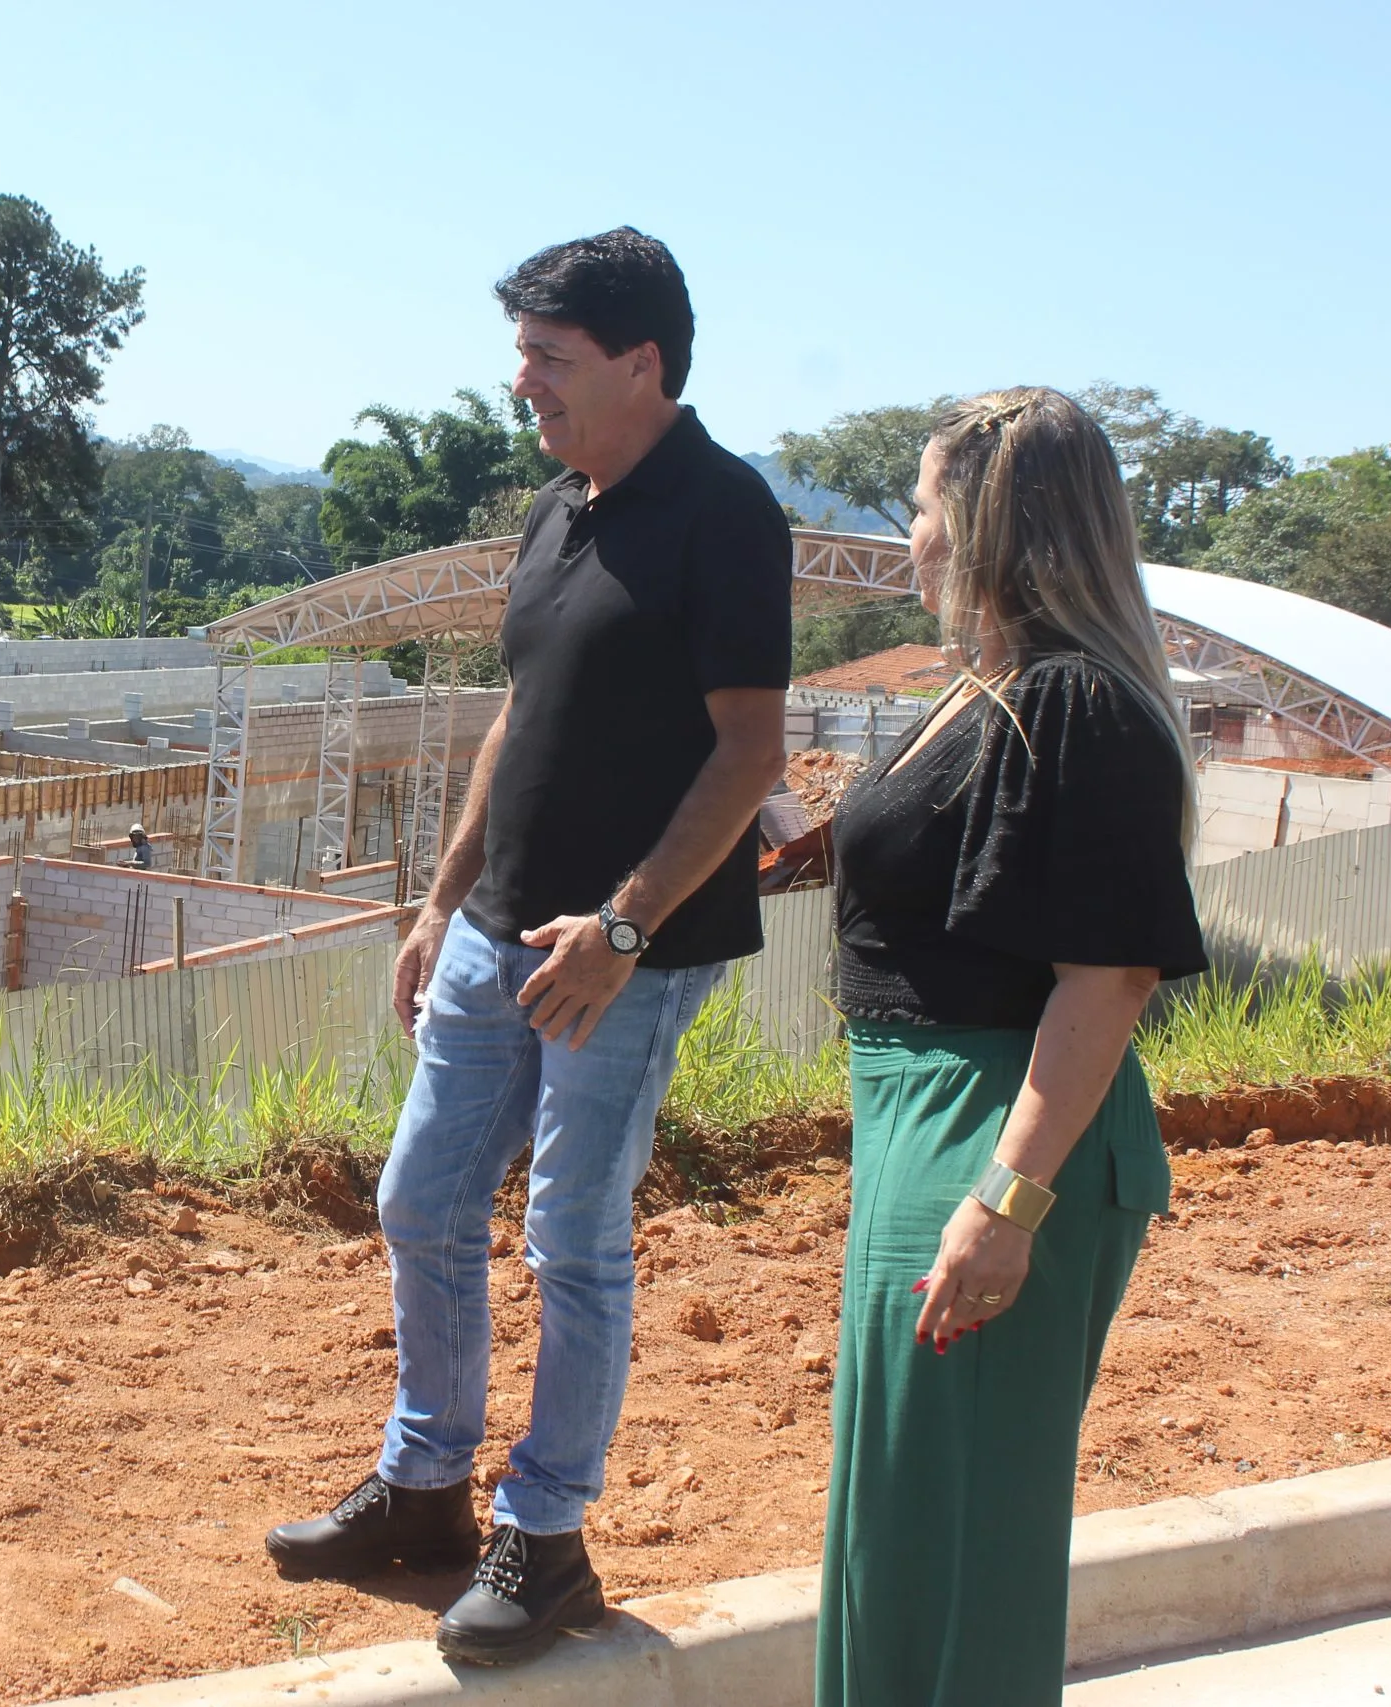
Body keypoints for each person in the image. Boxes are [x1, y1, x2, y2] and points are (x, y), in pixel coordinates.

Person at [264, 229, 791, 1666]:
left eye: (551, 360)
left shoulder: (725, 512)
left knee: (570, 1234)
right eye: (523, 357)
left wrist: (623, 926)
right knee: (421, 1200)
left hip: (622, 950)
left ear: (643, 362)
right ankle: (426, 1491)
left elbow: (752, 751)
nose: (525, 386)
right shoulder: (562, 510)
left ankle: (546, 1537)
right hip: (500, 933)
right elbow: (518, 719)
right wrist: (443, 898)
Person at [816, 387, 1208, 1706]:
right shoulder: (992, 692)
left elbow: (1109, 977)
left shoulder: (1078, 705)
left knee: (957, 1544)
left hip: (994, 1131)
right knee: (897, 1526)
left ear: (988, 523)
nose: (911, 536)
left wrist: (1008, 1194)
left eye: (925, 505)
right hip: (921, 1122)